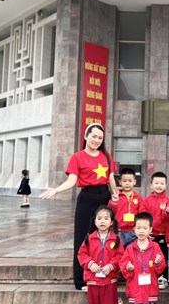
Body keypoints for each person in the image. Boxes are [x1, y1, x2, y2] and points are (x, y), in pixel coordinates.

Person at [40, 123, 117, 290]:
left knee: (105, 237)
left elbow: (111, 178)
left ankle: (104, 275)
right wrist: (56, 190)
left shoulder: (106, 156)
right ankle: (80, 280)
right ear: (85, 136)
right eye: (94, 136)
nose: (97, 140)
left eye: (100, 138)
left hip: (105, 196)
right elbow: (72, 181)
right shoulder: (77, 157)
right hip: (87, 198)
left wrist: (115, 194)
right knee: (83, 237)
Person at [77, 205, 124, 304]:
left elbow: (120, 256)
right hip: (93, 280)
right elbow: (81, 254)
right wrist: (90, 264)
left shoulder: (116, 239)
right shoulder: (89, 238)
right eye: (99, 218)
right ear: (95, 221)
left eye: (106, 218)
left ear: (112, 222)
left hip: (109, 280)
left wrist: (111, 266)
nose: (102, 221)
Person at [120, 212, 167, 304]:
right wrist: (128, 268)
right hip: (134, 287)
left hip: (150, 287)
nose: (141, 231)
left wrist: (158, 263)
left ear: (150, 229)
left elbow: (161, 268)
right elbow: (123, 265)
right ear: (133, 229)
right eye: (138, 228)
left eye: (145, 228)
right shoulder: (130, 248)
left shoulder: (155, 247)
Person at [138, 171, 169, 288]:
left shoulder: (168, 201)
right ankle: (150, 277)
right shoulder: (146, 200)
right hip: (150, 234)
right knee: (149, 256)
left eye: (162, 183)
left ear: (166, 185)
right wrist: (146, 232)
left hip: (163, 234)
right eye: (156, 183)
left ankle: (163, 277)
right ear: (151, 185)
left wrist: (166, 211)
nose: (159, 186)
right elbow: (142, 216)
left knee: (163, 256)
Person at [109, 168, 143, 248]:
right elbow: (111, 211)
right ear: (120, 182)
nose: (127, 183)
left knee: (131, 252)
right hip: (118, 231)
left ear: (134, 182)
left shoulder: (138, 198)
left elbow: (141, 214)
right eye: (124, 181)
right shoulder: (117, 196)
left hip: (133, 232)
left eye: (130, 181)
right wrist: (114, 202)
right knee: (118, 251)